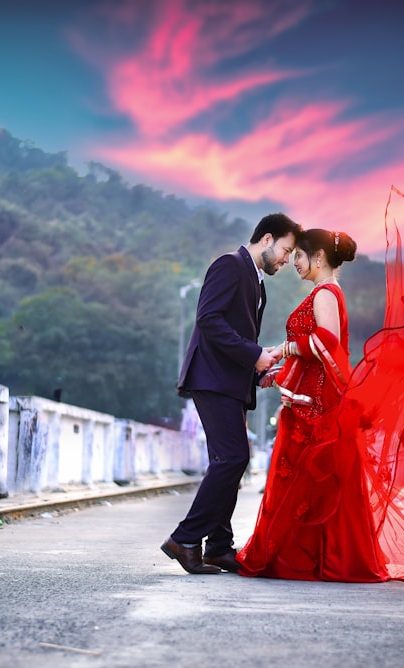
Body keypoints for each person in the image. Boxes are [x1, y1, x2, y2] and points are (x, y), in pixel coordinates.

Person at [238, 188, 404, 582]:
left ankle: (305, 558)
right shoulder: (324, 292)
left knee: (309, 482)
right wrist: (279, 374)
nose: (294, 263)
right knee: (311, 485)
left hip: (317, 406)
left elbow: (326, 344)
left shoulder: (325, 292)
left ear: (318, 257)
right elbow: (323, 354)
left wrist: (285, 347)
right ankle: (305, 556)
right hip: (309, 398)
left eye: (299, 256)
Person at [162, 212, 302, 574]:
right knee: (233, 459)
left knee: (228, 462)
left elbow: (240, 336)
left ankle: (218, 546)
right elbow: (208, 319)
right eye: (286, 251)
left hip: (231, 382)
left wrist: (258, 372)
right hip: (211, 379)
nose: (286, 260)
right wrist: (254, 354)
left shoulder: (258, 282)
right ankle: (185, 539)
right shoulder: (230, 264)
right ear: (267, 239)